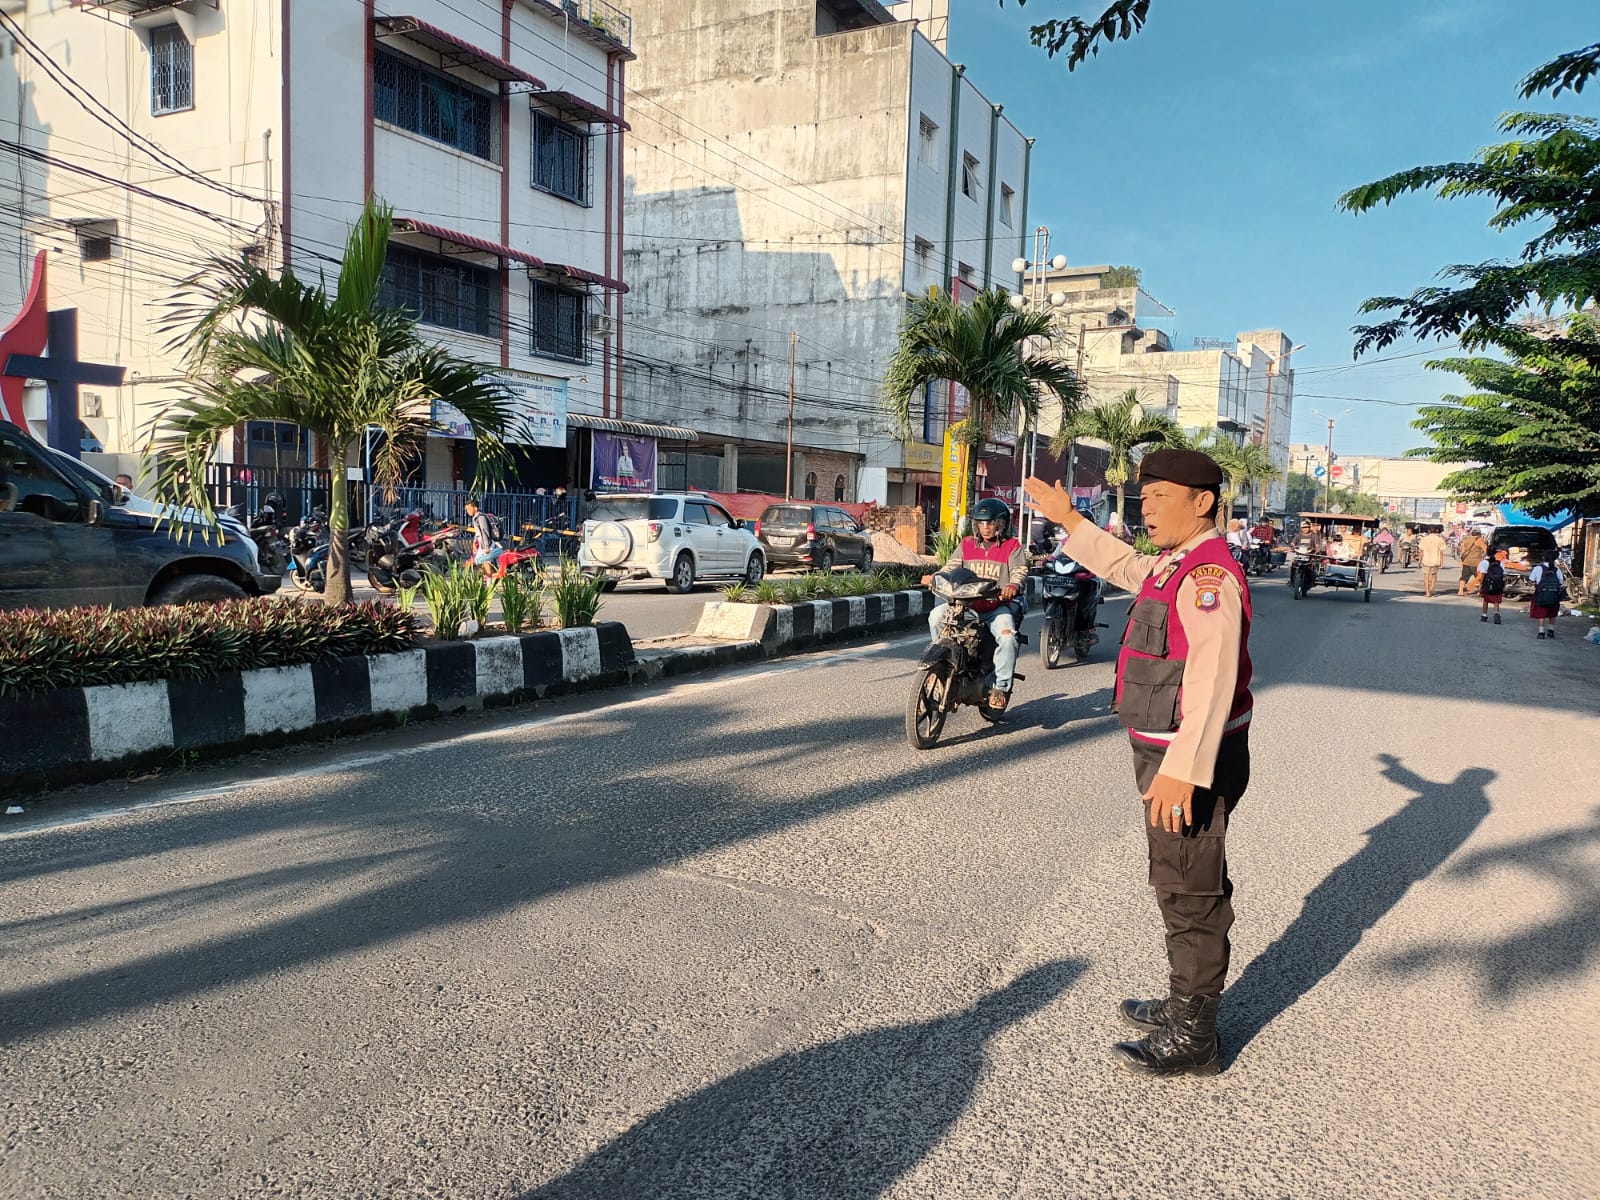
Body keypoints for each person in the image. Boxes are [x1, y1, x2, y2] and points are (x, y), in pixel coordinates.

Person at [1024, 449, 1251, 1078]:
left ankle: (1196, 1037)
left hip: (1188, 759)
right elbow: (1125, 564)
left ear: (1202, 502)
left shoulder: (1209, 575)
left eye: (1160, 497)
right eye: (1143, 497)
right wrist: (1070, 519)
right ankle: (1182, 1003)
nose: (1145, 508)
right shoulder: (1176, 563)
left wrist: (1185, 768)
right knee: (1177, 877)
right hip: (1166, 751)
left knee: (1189, 888)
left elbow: (1212, 675)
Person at [922, 497, 1028, 712]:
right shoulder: (967, 544)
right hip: (965, 606)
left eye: (991, 522)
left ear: (1001, 524)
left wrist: (1013, 586)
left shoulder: (1012, 546)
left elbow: (1020, 571)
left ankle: (1001, 688)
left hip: (996, 607)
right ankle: (941, 665)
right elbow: (951, 567)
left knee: (1008, 637)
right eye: (981, 523)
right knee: (936, 616)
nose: (986, 527)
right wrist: (936, 577)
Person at [1528, 551, 1566, 639]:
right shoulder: (1557, 569)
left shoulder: (1538, 568)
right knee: (1552, 612)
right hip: (1554, 595)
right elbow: (1561, 582)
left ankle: (1541, 632)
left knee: (1541, 613)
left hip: (1541, 594)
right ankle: (1551, 631)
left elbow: (1531, 579)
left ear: (1544, 558)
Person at [464, 499, 504, 577]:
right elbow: (478, 532)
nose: (467, 511)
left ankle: (490, 581)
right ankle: (488, 579)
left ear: (475, 508)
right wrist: (474, 542)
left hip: (487, 544)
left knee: (485, 562)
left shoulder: (481, 517)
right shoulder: (475, 518)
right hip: (482, 544)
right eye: (466, 510)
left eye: (469, 509)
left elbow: (485, 532)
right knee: (480, 562)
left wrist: (486, 547)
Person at [1478, 548, 1508, 623]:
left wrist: (1481, 584)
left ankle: (1484, 615)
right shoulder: (1500, 563)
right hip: (1498, 584)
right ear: (1495, 553)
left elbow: (1483, 574)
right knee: (1496, 600)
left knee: (1486, 600)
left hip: (1488, 584)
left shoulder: (1484, 562)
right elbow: (1504, 574)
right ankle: (1496, 613)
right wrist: (1504, 584)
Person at [1418, 525, 1448, 597]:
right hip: (1435, 560)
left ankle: (1427, 592)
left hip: (1426, 560)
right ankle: (1432, 588)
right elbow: (1441, 552)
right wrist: (1441, 562)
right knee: (1434, 575)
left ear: (1428, 531)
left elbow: (1421, 551)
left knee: (1426, 576)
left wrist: (1419, 560)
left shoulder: (1424, 539)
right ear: (1436, 531)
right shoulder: (1440, 540)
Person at [1458, 528, 1488, 595]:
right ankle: (1480, 591)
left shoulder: (1466, 540)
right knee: (1479, 577)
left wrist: (1462, 562)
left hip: (1466, 561)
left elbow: (1462, 552)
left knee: (1464, 577)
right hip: (1476, 562)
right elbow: (1486, 550)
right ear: (1479, 534)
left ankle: (1460, 591)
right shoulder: (1480, 540)